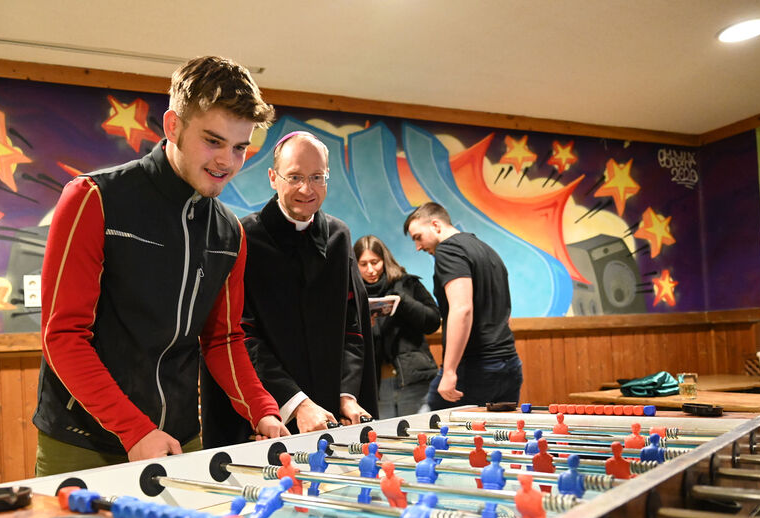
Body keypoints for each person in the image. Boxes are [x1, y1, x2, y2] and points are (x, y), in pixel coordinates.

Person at [32, 55, 288, 475]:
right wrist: (134, 430)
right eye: (213, 141)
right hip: (85, 441)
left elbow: (223, 339)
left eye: (240, 147)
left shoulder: (230, 234)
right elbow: (63, 336)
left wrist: (262, 410)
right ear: (173, 126)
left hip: (179, 438)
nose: (227, 161)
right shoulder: (92, 198)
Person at [200, 131, 378, 445]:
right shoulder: (242, 237)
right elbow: (240, 335)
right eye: (294, 177)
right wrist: (296, 403)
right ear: (273, 177)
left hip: (330, 413)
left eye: (316, 177)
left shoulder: (339, 237)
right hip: (268, 414)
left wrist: (346, 394)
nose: (306, 189)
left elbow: (353, 328)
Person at [403, 202, 523, 409]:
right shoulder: (488, 251)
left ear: (436, 225)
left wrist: (449, 371)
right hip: (510, 366)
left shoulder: (448, 250)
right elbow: (505, 315)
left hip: (476, 368)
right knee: (495, 431)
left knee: (428, 423)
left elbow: (462, 308)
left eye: (418, 237)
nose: (418, 247)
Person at [354, 235, 440, 417]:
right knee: (384, 433)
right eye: (363, 264)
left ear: (384, 260)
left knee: (419, 431)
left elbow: (433, 321)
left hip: (413, 380)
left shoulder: (406, 283)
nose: (370, 270)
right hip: (375, 384)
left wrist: (403, 302)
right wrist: (364, 326)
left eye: (375, 262)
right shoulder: (351, 292)